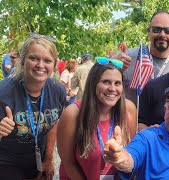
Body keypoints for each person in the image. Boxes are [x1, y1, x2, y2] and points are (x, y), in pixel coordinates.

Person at [0, 33, 66, 179]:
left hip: (37, 162)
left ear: (54, 65)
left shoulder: (57, 90)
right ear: (23, 61)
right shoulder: (3, 92)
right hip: (7, 164)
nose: (40, 65)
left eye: (47, 60)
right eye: (33, 58)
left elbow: (53, 123)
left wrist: (48, 159)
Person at [57, 57, 137, 180]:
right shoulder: (72, 114)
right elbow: (68, 163)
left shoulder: (129, 109)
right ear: (93, 83)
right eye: (106, 82)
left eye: (117, 83)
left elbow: (131, 153)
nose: (112, 88)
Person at [115, 10, 169, 105]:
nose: (162, 35)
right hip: (131, 118)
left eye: (168, 30)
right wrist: (112, 65)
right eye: (157, 29)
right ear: (149, 31)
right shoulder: (127, 57)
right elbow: (98, 81)